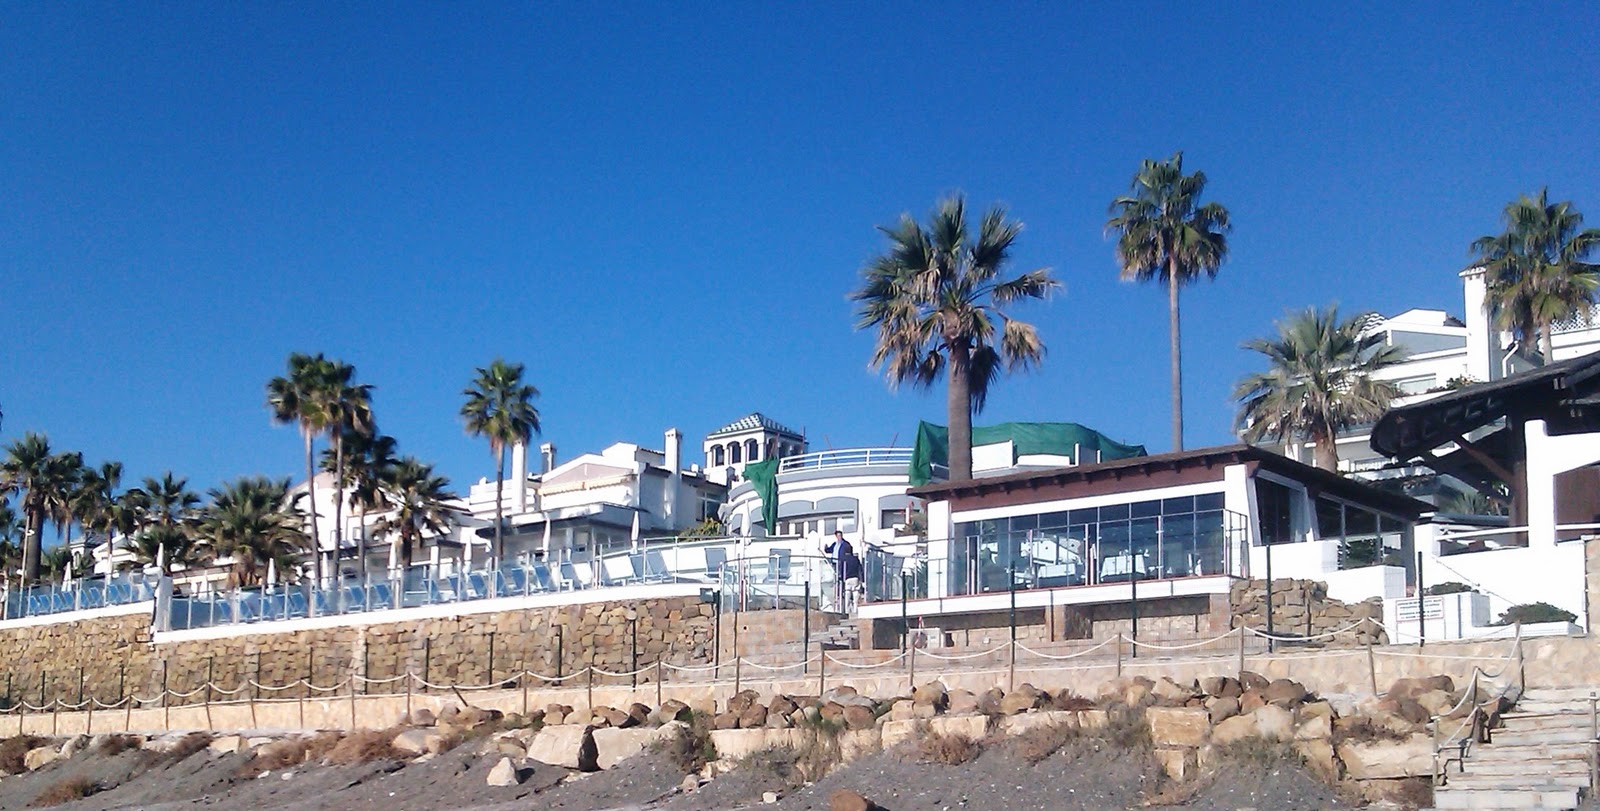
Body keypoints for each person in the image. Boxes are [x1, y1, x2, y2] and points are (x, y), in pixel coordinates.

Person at [825, 530, 863, 611]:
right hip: (837, 565)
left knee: (848, 592)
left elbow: (850, 567)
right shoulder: (835, 544)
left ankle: (847, 609)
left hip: (843, 569)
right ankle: (850, 608)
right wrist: (826, 548)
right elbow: (829, 550)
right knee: (852, 592)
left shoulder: (845, 544)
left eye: (840, 535)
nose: (839, 537)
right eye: (838, 536)